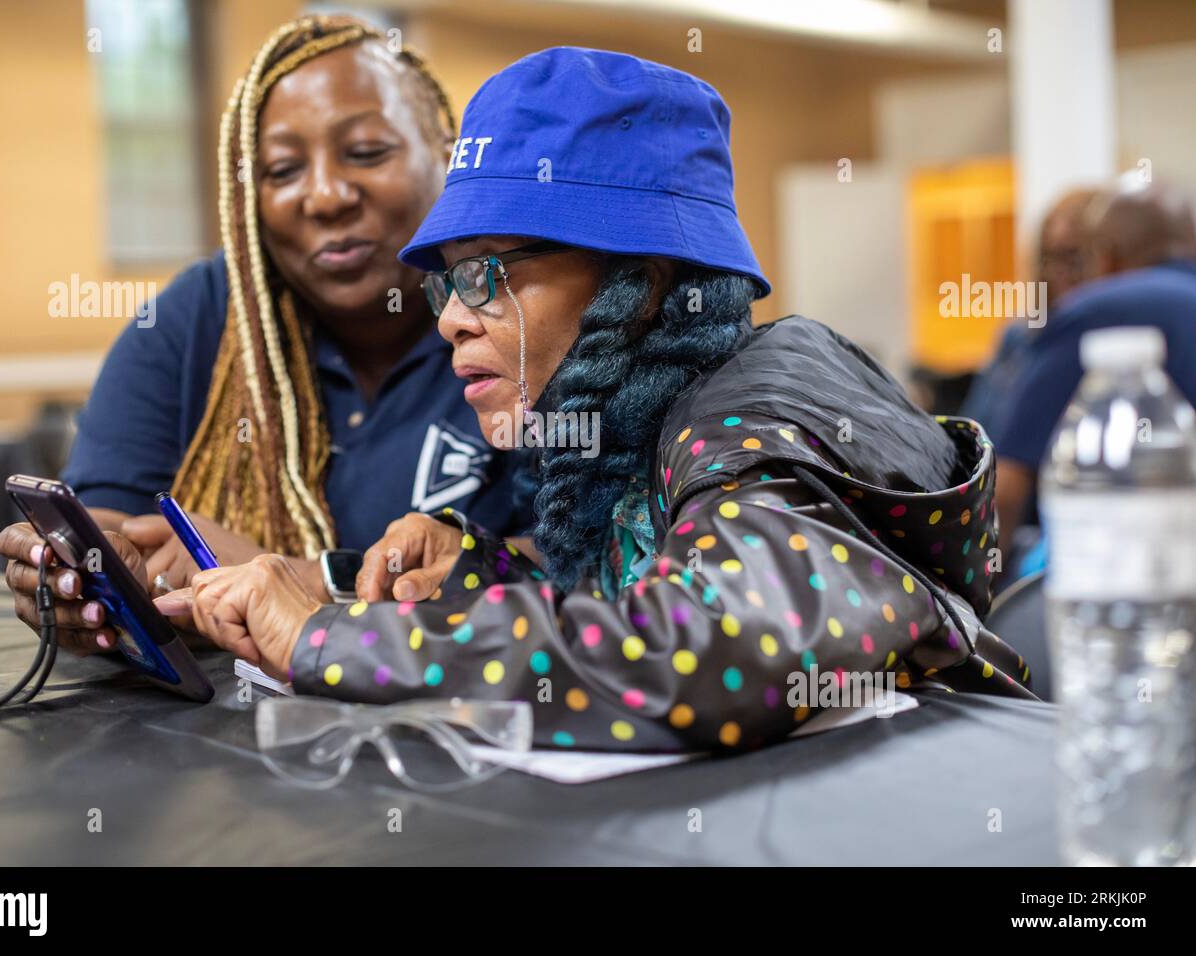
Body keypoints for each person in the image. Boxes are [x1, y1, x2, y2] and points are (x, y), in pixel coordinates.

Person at [157, 47, 1035, 753]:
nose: (453, 320)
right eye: (445, 285)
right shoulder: (650, 420)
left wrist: (326, 639)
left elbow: (706, 651)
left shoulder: (757, 424)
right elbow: (641, 576)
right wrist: (463, 571)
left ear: (642, 284)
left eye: (487, 274)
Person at [0, 15, 526, 655]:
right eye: (281, 170)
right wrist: (87, 580)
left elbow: (590, 560)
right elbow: (108, 524)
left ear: (447, 151)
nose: (326, 196)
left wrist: (304, 579)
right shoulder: (196, 320)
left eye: (365, 152)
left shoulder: (521, 310)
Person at [990, 181, 1196, 544]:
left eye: (1075, 257)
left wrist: (971, 591)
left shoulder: (1094, 312)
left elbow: (1007, 486)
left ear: (1105, 257)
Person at [959, 188, 1100, 433]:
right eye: (1050, 257)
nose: (1060, 273)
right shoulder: (1018, 340)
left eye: (1074, 257)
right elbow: (975, 433)